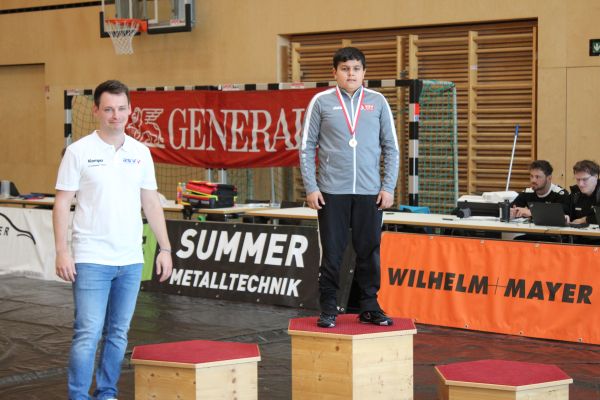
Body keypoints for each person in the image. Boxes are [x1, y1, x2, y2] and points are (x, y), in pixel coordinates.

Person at [53, 80, 173, 400]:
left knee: (118, 334)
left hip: (130, 259)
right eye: (108, 109)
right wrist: (62, 251)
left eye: (121, 109)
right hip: (91, 258)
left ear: (130, 110)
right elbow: (62, 203)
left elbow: (151, 202)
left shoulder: (141, 152)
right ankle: (79, 396)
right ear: (96, 111)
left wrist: (165, 248)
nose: (115, 115)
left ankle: (107, 393)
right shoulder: (78, 152)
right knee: (88, 334)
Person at [299, 47, 399, 328]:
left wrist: (388, 187)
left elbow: (391, 147)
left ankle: (370, 306)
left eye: (356, 68)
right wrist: (311, 187)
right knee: (332, 253)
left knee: (369, 252)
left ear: (364, 72)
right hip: (331, 192)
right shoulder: (321, 102)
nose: (351, 74)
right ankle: (329, 308)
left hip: (370, 192)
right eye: (345, 69)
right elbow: (306, 146)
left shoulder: (378, 102)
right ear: (335, 73)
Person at [565, 159, 600, 224]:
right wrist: (565, 215)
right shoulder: (575, 192)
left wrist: (584, 220)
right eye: (578, 179)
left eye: (585, 179)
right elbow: (565, 208)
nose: (580, 184)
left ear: (596, 177)